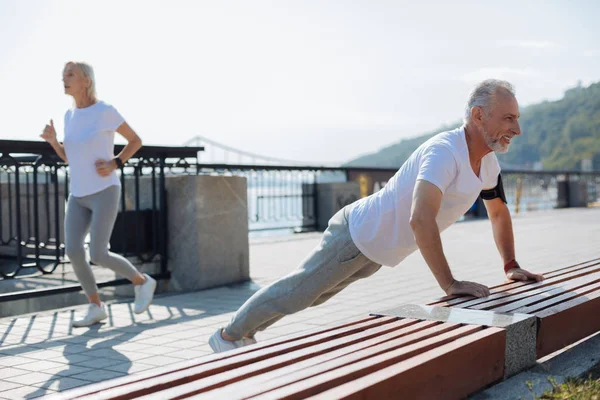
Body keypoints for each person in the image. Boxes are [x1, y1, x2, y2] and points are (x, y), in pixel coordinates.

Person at [209, 79, 545, 353]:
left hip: (375, 250)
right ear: (478, 115)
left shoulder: (488, 164)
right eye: (508, 118)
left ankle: (241, 334)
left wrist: (510, 265)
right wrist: (450, 284)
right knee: (297, 293)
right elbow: (420, 219)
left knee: (311, 296)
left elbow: (498, 213)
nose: (517, 128)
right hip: (357, 236)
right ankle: (228, 336)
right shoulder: (445, 152)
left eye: (516, 118)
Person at [40, 61, 156, 327]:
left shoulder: (104, 111)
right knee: (72, 249)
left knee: (99, 253)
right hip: (78, 194)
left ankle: (142, 281)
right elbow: (70, 158)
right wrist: (53, 141)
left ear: (86, 80)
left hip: (104, 191)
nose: (64, 79)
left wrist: (116, 162)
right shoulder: (69, 115)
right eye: (63, 75)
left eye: (70, 74)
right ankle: (96, 307)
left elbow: (135, 141)